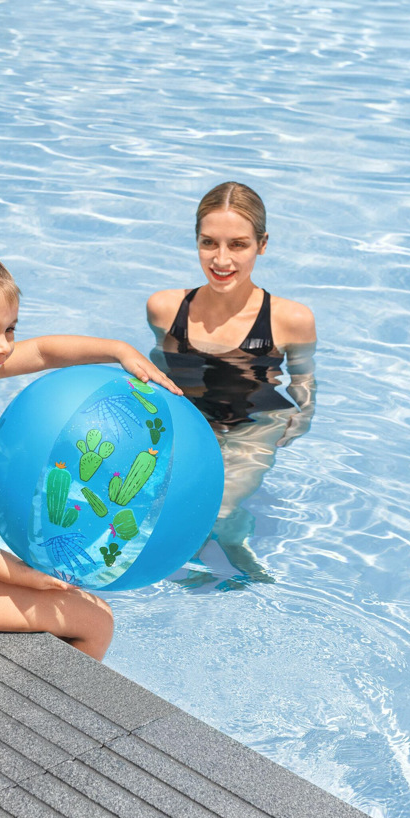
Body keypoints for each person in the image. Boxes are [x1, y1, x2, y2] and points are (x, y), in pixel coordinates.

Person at [0, 230, 180, 659]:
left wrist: (117, 350)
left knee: (86, 598)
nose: (4, 348)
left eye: (9, 330)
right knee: (95, 620)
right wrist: (25, 577)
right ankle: (59, 701)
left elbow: (42, 352)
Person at [146, 181, 316, 586]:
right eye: (209, 243)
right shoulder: (164, 308)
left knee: (216, 508)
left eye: (238, 245)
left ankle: (228, 543)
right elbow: (160, 371)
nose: (221, 260)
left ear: (262, 244)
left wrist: (300, 420)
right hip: (192, 421)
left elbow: (303, 383)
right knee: (168, 505)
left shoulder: (291, 319)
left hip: (255, 423)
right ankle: (229, 544)